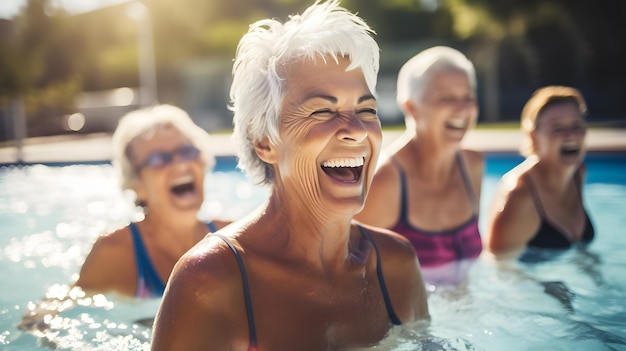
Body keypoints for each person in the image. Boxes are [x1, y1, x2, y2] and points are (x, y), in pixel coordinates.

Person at [151, 1, 429, 350]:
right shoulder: (212, 281)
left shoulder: (395, 264)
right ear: (265, 142)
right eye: (323, 110)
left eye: (366, 109)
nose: (356, 130)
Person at [20, 104, 230, 330]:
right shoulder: (115, 252)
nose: (180, 163)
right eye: (159, 159)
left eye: (187, 152)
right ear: (136, 184)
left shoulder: (235, 238)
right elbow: (48, 314)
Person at [354, 46, 484, 285]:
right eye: (446, 98)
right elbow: (350, 275)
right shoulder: (385, 181)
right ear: (411, 107)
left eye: (468, 97)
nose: (462, 109)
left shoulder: (472, 166)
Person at [485, 86, 594, 261]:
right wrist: (549, 288)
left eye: (576, 125)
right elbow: (498, 268)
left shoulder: (577, 174)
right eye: (557, 128)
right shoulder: (519, 196)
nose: (571, 135)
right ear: (533, 136)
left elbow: (581, 253)